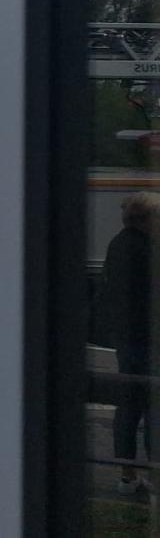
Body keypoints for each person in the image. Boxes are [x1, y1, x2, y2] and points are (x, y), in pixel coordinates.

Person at [100, 193, 159, 495]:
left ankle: (126, 475)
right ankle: (153, 472)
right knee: (153, 404)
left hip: (126, 338)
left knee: (128, 405)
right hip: (150, 340)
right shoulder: (148, 250)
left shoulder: (116, 245)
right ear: (147, 219)